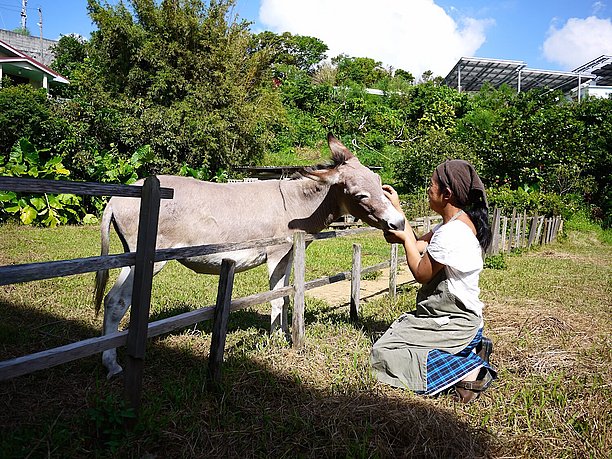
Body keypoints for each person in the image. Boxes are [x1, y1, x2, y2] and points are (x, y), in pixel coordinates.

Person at [371, 159, 497, 403]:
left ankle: (468, 369)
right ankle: (472, 347)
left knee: (383, 353)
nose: (428, 189)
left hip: (455, 321)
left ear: (446, 194)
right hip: (459, 318)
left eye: (431, 185)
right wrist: (396, 211)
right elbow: (418, 243)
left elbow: (421, 272)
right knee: (399, 333)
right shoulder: (457, 223)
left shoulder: (451, 234)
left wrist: (405, 242)